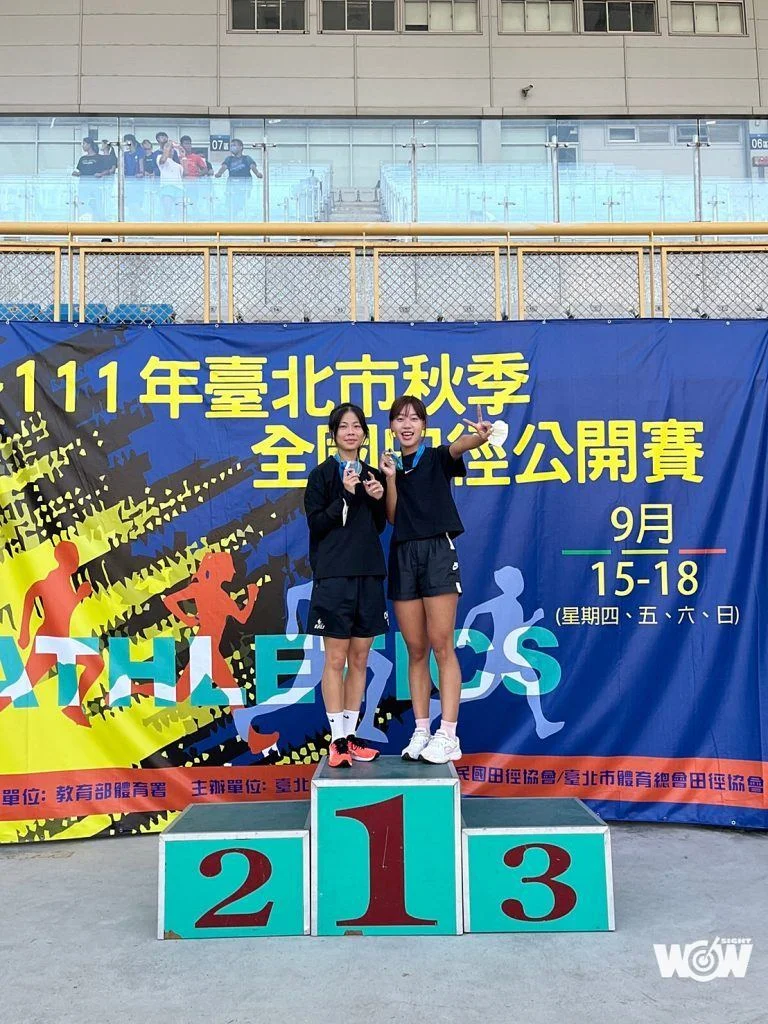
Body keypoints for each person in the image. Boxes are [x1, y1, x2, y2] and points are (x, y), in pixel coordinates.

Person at [380, 396, 491, 764]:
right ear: (392, 427)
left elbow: (460, 446)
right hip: (403, 555)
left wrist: (480, 437)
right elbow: (392, 516)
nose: (406, 424)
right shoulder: (390, 466)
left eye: (414, 418)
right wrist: (390, 478)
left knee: (442, 644)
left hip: (438, 553)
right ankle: (421, 730)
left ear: (424, 427)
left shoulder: (437, 457)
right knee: (415, 650)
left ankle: (448, 734)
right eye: (400, 419)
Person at [304, 403, 388, 768]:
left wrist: (378, 498)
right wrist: (346, 494)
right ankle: (336, 739)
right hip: (334, 575)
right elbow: (317, 524)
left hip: (368, 574)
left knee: (360, 658)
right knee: (335, 659)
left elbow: (378, 526)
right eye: (344, 426)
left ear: (365, 434)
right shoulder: (321, 476)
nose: (351, 432)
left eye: (356, 426)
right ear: (333, 434)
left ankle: (351, 736)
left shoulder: (372, 475)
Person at [215, 138, 263, 220]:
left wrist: (258, 174)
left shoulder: (247, 158)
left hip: (244, 187)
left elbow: (253, 167)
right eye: (231, 146)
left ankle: (241, 218)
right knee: (231, 205)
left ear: (241, 147)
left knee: (242, 204)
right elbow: (223, 168)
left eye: (234, 145)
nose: (232, 147)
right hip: (231, 188)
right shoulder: (229, 159)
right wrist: (219, 173)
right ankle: (232, 218)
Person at [72, 138, 107, 219]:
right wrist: (76, 174)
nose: (82, 146)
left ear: (89, 144)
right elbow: (81, 172)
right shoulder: (82, 158)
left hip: (95, 186)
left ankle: (100, 219)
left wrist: (101, 174)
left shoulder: (99, 158)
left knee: (97, 204)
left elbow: (107, 170)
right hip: (83, 186)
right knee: (83, 203)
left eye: (84, 143)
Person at [158, 139, 184, 219]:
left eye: (172, 148)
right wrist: (170, 143)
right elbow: (163, 160)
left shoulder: (177, 165)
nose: (170, 149)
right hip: (166, 187)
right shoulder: (159, 157)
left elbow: (185, 173)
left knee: (180, 213)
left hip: (179, 189)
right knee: (167, 212)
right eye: (169, 147)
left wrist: (182, 156)